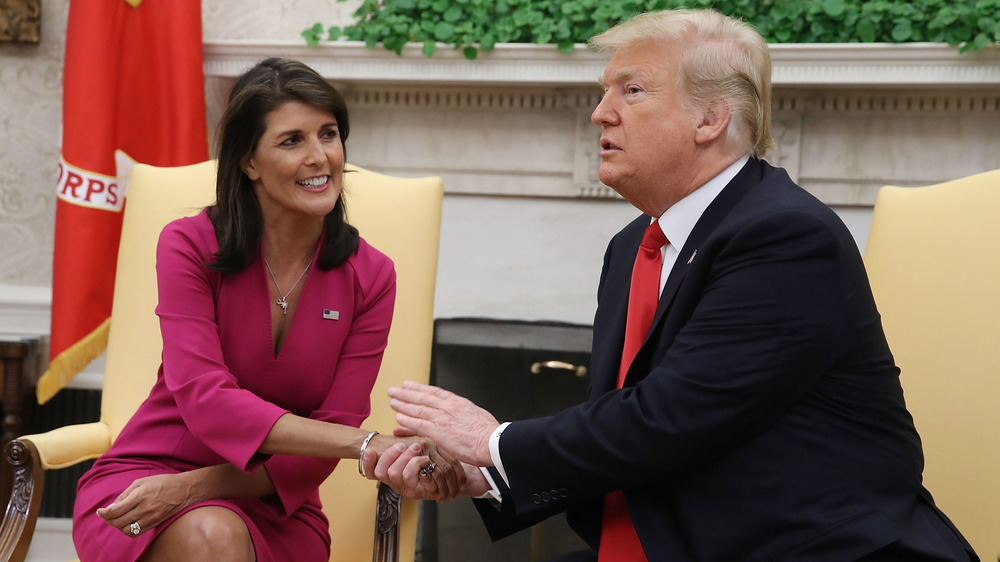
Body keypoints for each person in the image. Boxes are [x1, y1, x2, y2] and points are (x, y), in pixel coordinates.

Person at [366, 9, 978, 562]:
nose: (600, 112)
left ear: (710, 118)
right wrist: (487, 474)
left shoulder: (786, 236)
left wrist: (490, 440)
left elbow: (666, 421)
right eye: (604, 90)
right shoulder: (635, 243)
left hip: (805, 545)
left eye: (631, 90)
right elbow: (624, 425)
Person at [72, 58, 461, 562]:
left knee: (214, 531)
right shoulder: (189, 245)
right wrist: (367, 444)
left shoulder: (372, 276)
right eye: (291, 140)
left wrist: (194, 489)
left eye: (328, 134)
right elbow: (208, 401)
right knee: (211, 534)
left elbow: (331, 429)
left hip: (274, 501)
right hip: (149, 476)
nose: (320, 157)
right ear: (248, 162)